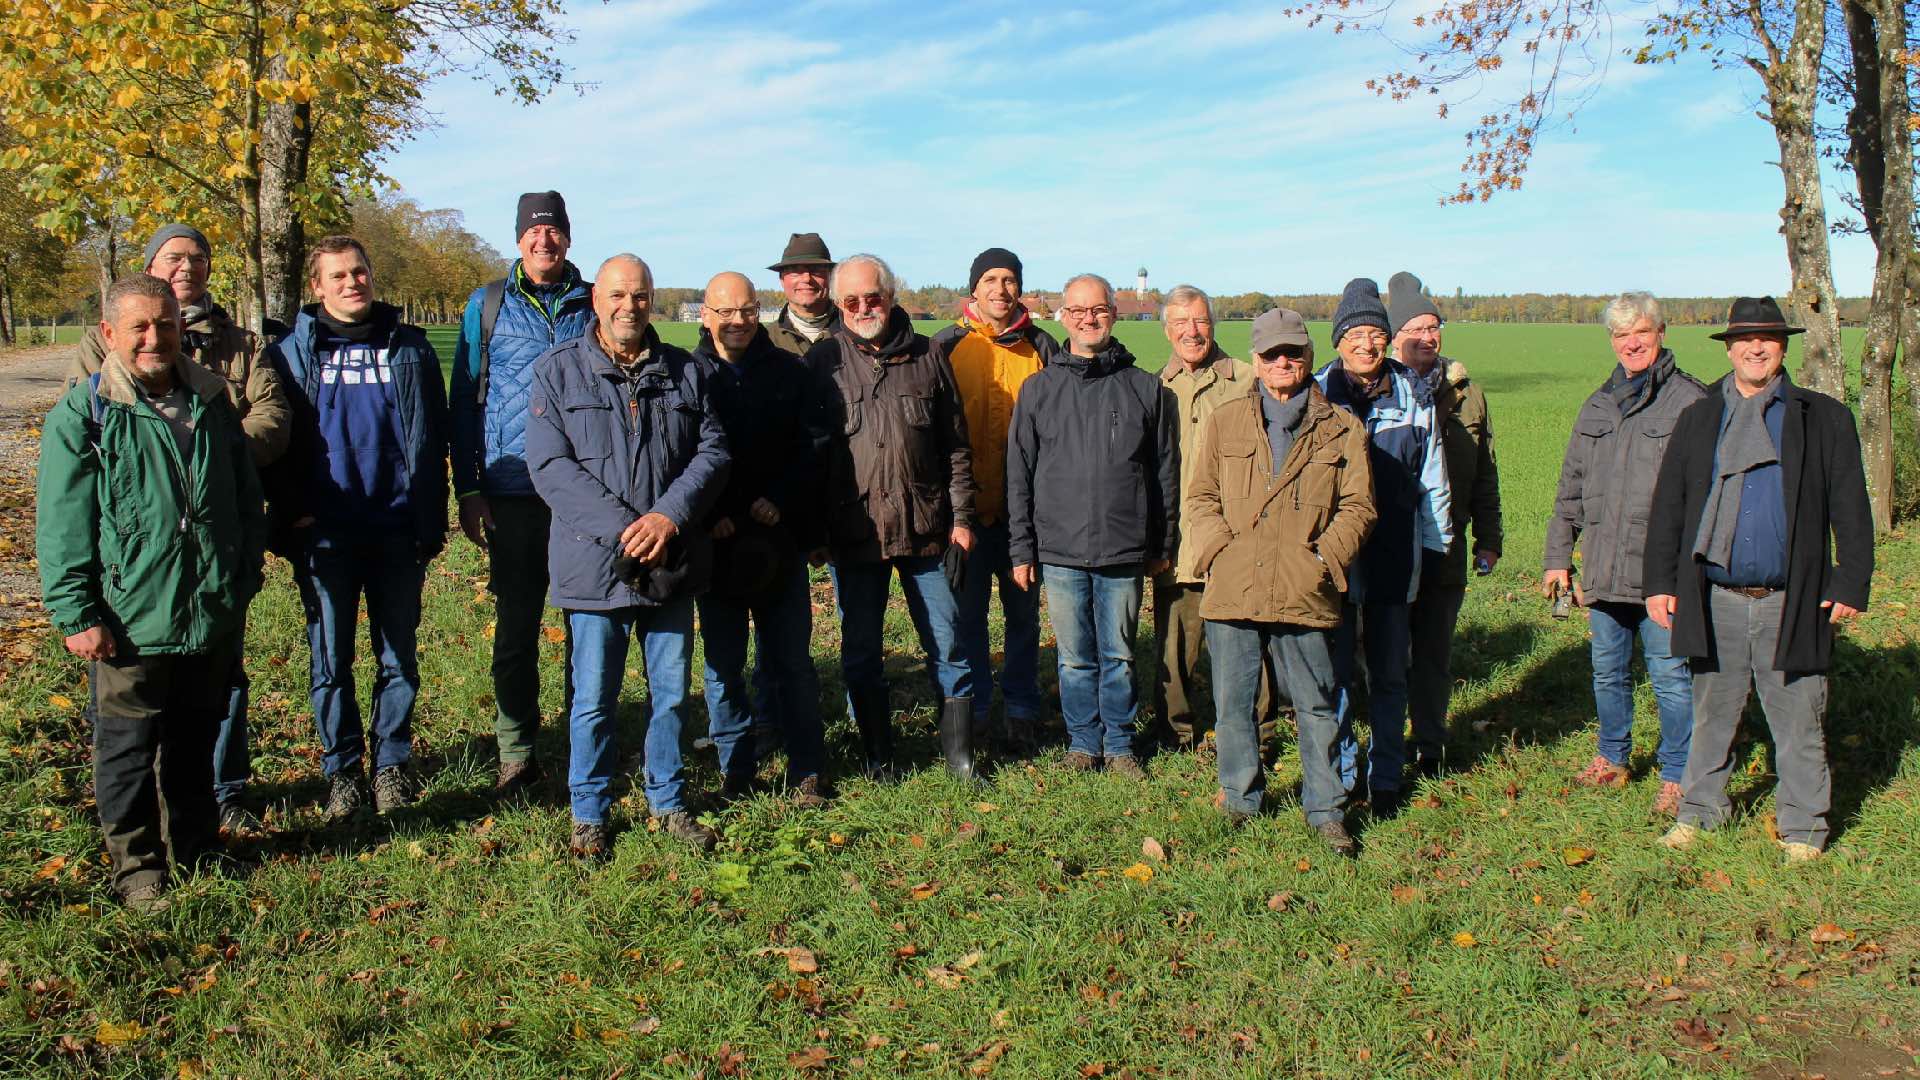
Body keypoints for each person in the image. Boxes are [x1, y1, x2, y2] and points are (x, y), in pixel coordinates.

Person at [38, 272, 266, 911]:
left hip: (208, 611)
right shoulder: (86, 412)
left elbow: (247, 502)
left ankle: (197, 846)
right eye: (138, 326)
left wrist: (240, 577)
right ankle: (138, 869)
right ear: (109, 333)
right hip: (127, 616)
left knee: (195, 738)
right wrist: (76, 610)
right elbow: (62, 522)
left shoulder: (212, 401)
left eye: (164, 324)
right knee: (127, 750)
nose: (153, 337)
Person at [66, 223, 289, 836]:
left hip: (212, 559)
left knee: (210, 703)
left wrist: (215, 454)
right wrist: (77, 607)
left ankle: (218, 806)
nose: (187, 267)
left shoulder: (238, 349)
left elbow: (268, 418)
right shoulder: (95, 374)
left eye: (198, 257)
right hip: (134, 577)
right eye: (173, 257)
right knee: (129, 724)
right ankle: (136, 853)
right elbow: (79, 483)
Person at [1646, 297, 1873, 861]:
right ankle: (1699, 812)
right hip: (1715, 595)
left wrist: (1849, 583)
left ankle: (1803, 828)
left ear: (1783, 346)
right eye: (1745, 338)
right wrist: (1659, 582)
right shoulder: (1701, 417)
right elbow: (1670, 505)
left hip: (1791, 598)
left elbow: (1851, 506)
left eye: (1768, 338)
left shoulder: (1821, 417)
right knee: (1712, 712)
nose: (1756, 347)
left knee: (1799, 716)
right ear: (1728, 346)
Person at [527, 254, 730, 858]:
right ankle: (589, 810)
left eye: (640, 296)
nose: (629, 307)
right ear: (597, 300)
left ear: (652, 300)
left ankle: (667, 800)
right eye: (617, 295)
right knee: (593, 698)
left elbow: (712, 451)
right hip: (596, 563)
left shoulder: (687, 372)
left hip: (672, 558)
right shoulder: (557, 372)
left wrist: (668, 516)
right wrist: (627, 529)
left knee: (669, 693)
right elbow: (550, 466)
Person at [265, 236, 449, 821]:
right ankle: (342, 770)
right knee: (331, 660)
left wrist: (430, 516)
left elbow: (433, 436)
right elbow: (276, 440)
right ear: (316, 287)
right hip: (326, 533)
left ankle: (391, 765)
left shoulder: (410, 349)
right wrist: (288, 510)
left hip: (395, 526)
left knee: (398, 657)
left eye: (361, 273)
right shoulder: (289, 354)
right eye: (338, 276)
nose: (352, 283)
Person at [1184, 309, 1376, 852]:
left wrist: (1322, 560)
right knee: (1234, 700)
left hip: (1303, 586)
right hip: (1234, 584)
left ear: (1310, 357)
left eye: (1293, 352)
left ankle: (1326, 807)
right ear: (1256, 361)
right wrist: (1220, 551)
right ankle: (1241, 797)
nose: (1283, 362)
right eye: (1272, 354)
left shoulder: (1342, 427)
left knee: (1316, 704)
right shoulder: (1224, 420)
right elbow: (1199, 498)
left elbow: (1358, 507)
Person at [808, 253, 977, 781]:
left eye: (873, 297)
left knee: (949, 644)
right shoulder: (823, 360)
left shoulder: (929, 355)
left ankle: (960, 757)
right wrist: (816, 530)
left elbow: (956, 446)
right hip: (855, 533)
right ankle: (879, 754)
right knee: (861, 651)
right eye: (852, 301)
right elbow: (811, 453)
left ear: (891, 296)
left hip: (927, 529)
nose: (864, 308)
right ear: (839, 305)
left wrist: (963, 517)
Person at [450, 192, 595, 797]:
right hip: (512, 492)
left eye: (554, 232)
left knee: (585, 628)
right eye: (534, 234)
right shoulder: (487, 305)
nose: (544, 242)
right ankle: (517, 751)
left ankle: (579, 746)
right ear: (518, 241)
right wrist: (468, 487)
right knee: (516, 629)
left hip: (584, 494)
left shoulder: (594, 305)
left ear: (567, 237)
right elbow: (463, 400)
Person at [1007, 273, 1177, 779]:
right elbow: (1019, 473)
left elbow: (1165, 471)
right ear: (1063, 316)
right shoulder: (1039, 389)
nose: (1088, 318)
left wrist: (1162, 542)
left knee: (1120, 654)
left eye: (1097, 309)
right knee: (1075, 658)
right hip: (1058, 550)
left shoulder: (1145, 388)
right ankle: (1083, 741)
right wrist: (1022, 549)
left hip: (1123, 549)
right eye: (1077, 310)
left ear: (1113, 314)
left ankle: (1120, 744)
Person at [1543, 292, 1705, 815]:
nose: (1631, 343)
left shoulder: (1691, 402)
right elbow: (1570, 486)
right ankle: (1612, 756)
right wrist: (1557, 557)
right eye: (1621, 335)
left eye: (1640, 332)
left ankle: (1679, 771)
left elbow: (1705, 498)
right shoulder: (1597, 404)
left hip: (1662, 575)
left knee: (1671, 676)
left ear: (1661, 333)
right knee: (1607, 670)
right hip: (1604, 568)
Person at [1314, 278, 1452, 816]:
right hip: (1338, 560)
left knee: (1391, 673)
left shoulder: (1414, 396)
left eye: (1376, 334)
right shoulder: (1319, 393)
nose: (1367, 345)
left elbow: (1433, 482)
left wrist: (1433, 551)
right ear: (1339, 341)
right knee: (1339, 673)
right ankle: (1347, 774)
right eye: (1356, 334)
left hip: (1396, 558)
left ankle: (1387, 776)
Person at [690, 271, 829, 806]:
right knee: (724, 667)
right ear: (706, 314)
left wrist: (783, 499)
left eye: (746, 309)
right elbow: (683, 454)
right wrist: (711, 513)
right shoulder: (689, 375)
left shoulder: (789, 372)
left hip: (779, 540)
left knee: (791, 662)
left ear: (759, 311)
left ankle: (808, 769)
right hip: (717, 544)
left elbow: (812, 445)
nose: (737, 320)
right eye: (725, 310)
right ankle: (738, 771)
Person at [929, 248, 1058, 754]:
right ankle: (978, 706)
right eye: (990, 279)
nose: (1000, 289)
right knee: (968, 615)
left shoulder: (1042, 346)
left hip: (1026, 515)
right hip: (964, 513)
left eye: (1009, 280)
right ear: (974, 290)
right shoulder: (944, 346)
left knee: (1023, 616)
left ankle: (1023, 706)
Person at [1386, 272, 1502, 777]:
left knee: (1433, 652)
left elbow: (1486, 472)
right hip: (1387, 543)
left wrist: (1490, 537)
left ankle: (1429, 743)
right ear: (1394, 337)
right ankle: (1384, 740)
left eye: (1434, 326)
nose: (1428, 337)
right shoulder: (1379, 388)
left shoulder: (1466, 395)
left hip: (1445, 545)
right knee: (1387, 651)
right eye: (1416, 328)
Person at [1150, 284, 1272, 755]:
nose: (1191, 331)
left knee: (1245, 645)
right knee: (1175, 647)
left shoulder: (1247, 379)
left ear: (1214, 325)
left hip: (1238, 540)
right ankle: (1175, 732)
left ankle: (1256, 734)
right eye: (1181, 323)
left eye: (1199, 321)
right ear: (1167, 331)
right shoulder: (1154, 386)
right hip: (1178, 541)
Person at [765, 233, 841, 356]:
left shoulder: (854, 332)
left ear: (830, 277)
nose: (807, 279)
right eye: (796, 271)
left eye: (816, 270)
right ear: (782, 279)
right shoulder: (765, 341)